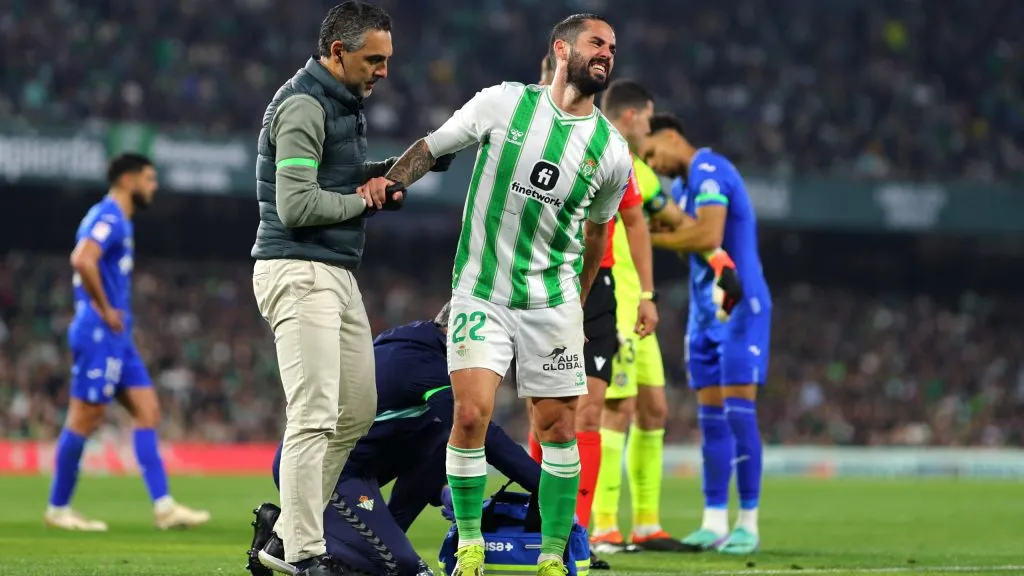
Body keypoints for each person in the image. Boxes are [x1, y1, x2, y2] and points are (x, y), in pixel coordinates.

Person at [359, 13, 634, 576]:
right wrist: (393, 180)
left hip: (552, 301)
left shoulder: (611, 149)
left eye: (612, 47)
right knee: (469, 416)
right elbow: (434, 146)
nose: (607, 53)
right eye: (596, 43)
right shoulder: (503, 103)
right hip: (481, 293)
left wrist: (577, 306)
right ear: (562, 49)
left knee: (559, 430)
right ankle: (470, 547)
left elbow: (597, 237)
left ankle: (553, 555)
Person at [250, 3, 452, 575]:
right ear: (338, 53)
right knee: (314, 414)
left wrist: (392, 172)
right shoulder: (303, 106)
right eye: (374, 60)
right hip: (297, 268)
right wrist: (366, 200)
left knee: (355, 413)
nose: (384, 71)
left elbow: (337, 179)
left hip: (334, 273)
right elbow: (295, 206)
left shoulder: (338, 105)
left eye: (387, 59)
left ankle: (282, 536)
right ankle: (306, 555)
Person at [248, 304, 540, 576]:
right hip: (323, 472)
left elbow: (431, 444)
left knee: (447, 434)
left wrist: (441, 491)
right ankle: (285, 535)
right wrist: (546, 485)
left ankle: (375, 537)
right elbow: (488, 437)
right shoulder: (423, 363)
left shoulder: (419, 348)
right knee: (399, 566)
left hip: (356, 465)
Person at [528, 60, 660, 553]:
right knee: (545, 416)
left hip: (597, 287)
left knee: (589, 414)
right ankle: (539, 525)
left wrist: (646, 294)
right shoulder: (527, 137)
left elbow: (635, 221)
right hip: (542, 281)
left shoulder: (606, 145)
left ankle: (575, 536)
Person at [45, 153, 210, 531]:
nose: (154, 186)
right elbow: (82, 259)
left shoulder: (121, 219)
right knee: (86, 416)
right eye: (148, 179)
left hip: (118, 336)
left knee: (147, 410)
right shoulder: (108, 216)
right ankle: (58, 508)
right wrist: (105, 309)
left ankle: (164, 508)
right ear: (127, 180)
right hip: (99, 331)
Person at [640, 113, 769, 555]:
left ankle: (748, 523)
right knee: (710, 419)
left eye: (652, 153)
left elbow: (709, 233)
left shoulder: (711, 170)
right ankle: (714, 520)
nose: (653, 164)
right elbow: (695, 244)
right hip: (703, 314)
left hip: (739, 307)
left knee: (738, 414)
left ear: (671, 136)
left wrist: (648, 238)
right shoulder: (680, 190)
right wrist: (675, 234)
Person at [590, 80, 692, 553]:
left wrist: (716, 254)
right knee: (618, 409)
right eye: (648, 117)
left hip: (640, 307)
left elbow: (675, 223)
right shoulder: (598, 153)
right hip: (614, 304)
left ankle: (647, 523)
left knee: (655, 410)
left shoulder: (642, 174)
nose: (650, 126)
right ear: (631, 115)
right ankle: (604, 525)